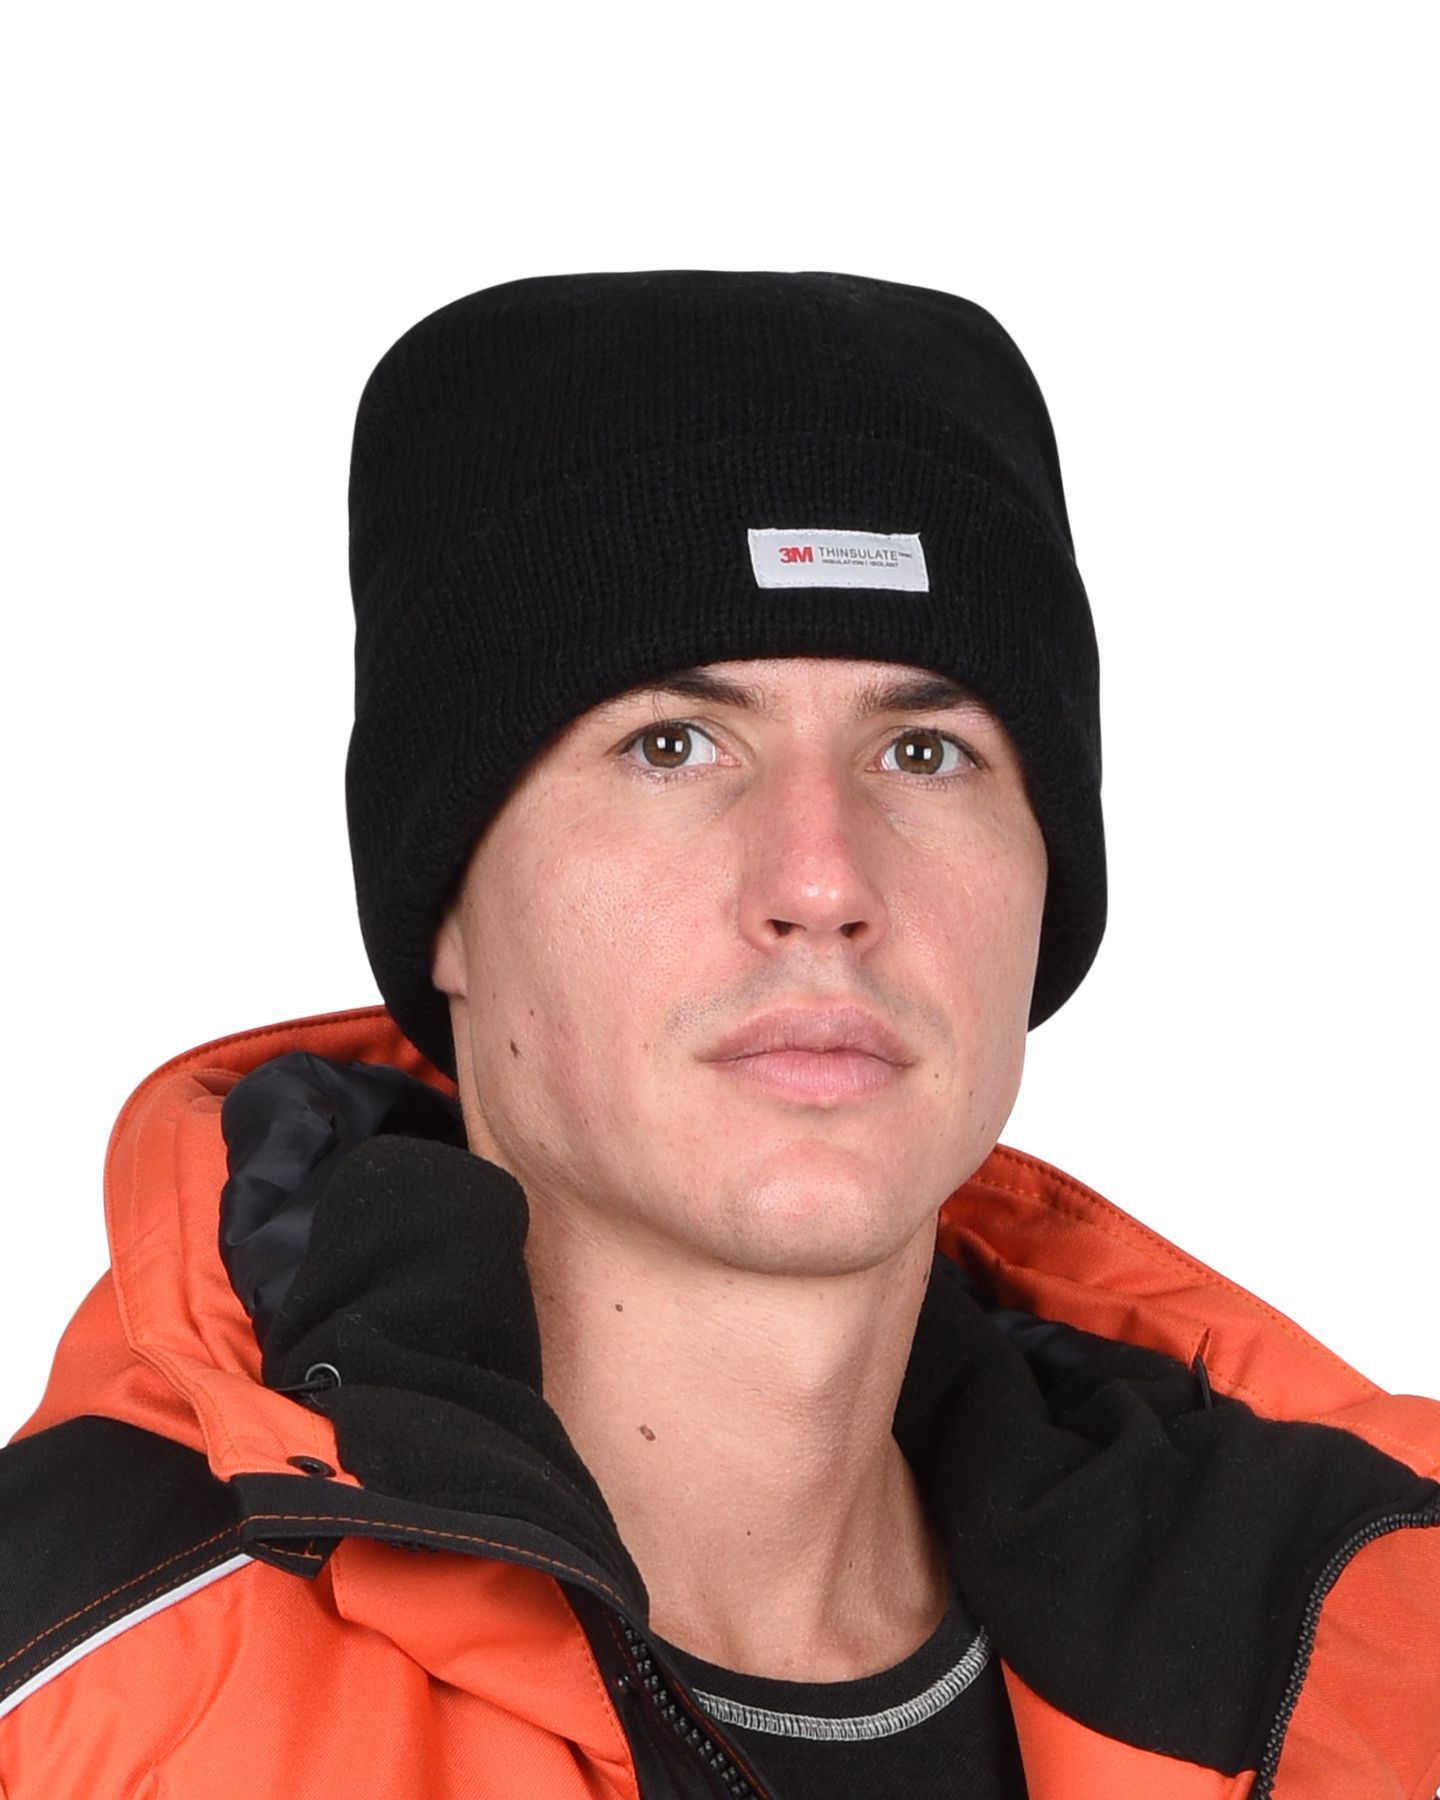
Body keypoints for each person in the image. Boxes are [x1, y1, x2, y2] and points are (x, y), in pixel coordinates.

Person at [1, 270, 1436, 1800]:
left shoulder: (1379, 1641)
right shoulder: (69, 1687)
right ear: (447, 902)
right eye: (671, 745)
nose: (821, 883)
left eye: (924, 750)